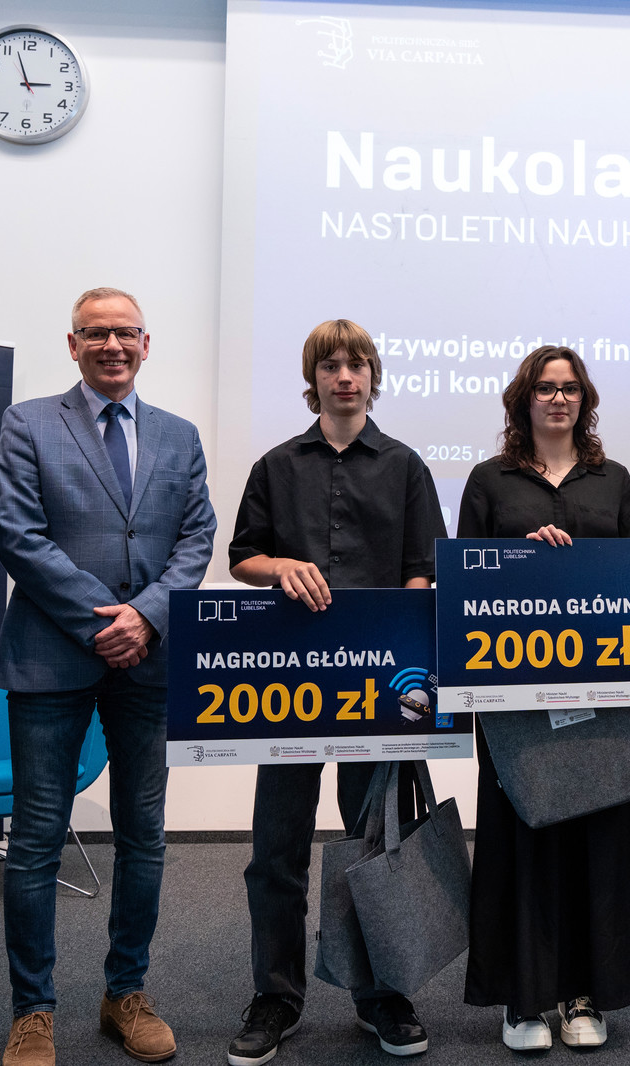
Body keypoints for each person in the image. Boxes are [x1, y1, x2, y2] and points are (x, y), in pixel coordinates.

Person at [0, 287, 216, 1065]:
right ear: (73, 344)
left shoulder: (179, 435)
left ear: (146, 344)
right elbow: (17, 535)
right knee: (36, 841)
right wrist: (103, 620)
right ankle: (33, 1010)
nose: (112, 345)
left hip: (150, 659)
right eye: (96, 333)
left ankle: (127, 994)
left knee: (143, 836)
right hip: (52, 655)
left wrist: (145, 617)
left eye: (126, 332)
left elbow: (197, 538)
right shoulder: (28, 423)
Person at [226, 319, 446, 1065]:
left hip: (377, 685)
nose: (344, 377)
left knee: (372, 845)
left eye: (356, 365)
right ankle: (276, 997)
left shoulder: (406, 465)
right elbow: (243, 557)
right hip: (289, 681)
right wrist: (279, 567)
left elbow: (423, 569)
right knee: (276, 848)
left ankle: (381, 995)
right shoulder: (276, 464)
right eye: (331, 366)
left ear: (372, 377)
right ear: (313, 378)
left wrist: (402, 629)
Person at [458, 344, 630, 1052]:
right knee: (522, 840)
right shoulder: (490, 480)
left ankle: (583, 995)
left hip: (604, 690)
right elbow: (465, 580)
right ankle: (524, 1000)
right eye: (546, 388)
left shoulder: (614, 479)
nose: (559, 398)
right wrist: (522, 562)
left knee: (599, 841)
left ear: (584, 400)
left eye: (570, 389)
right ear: (524, 399)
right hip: (515, 695)